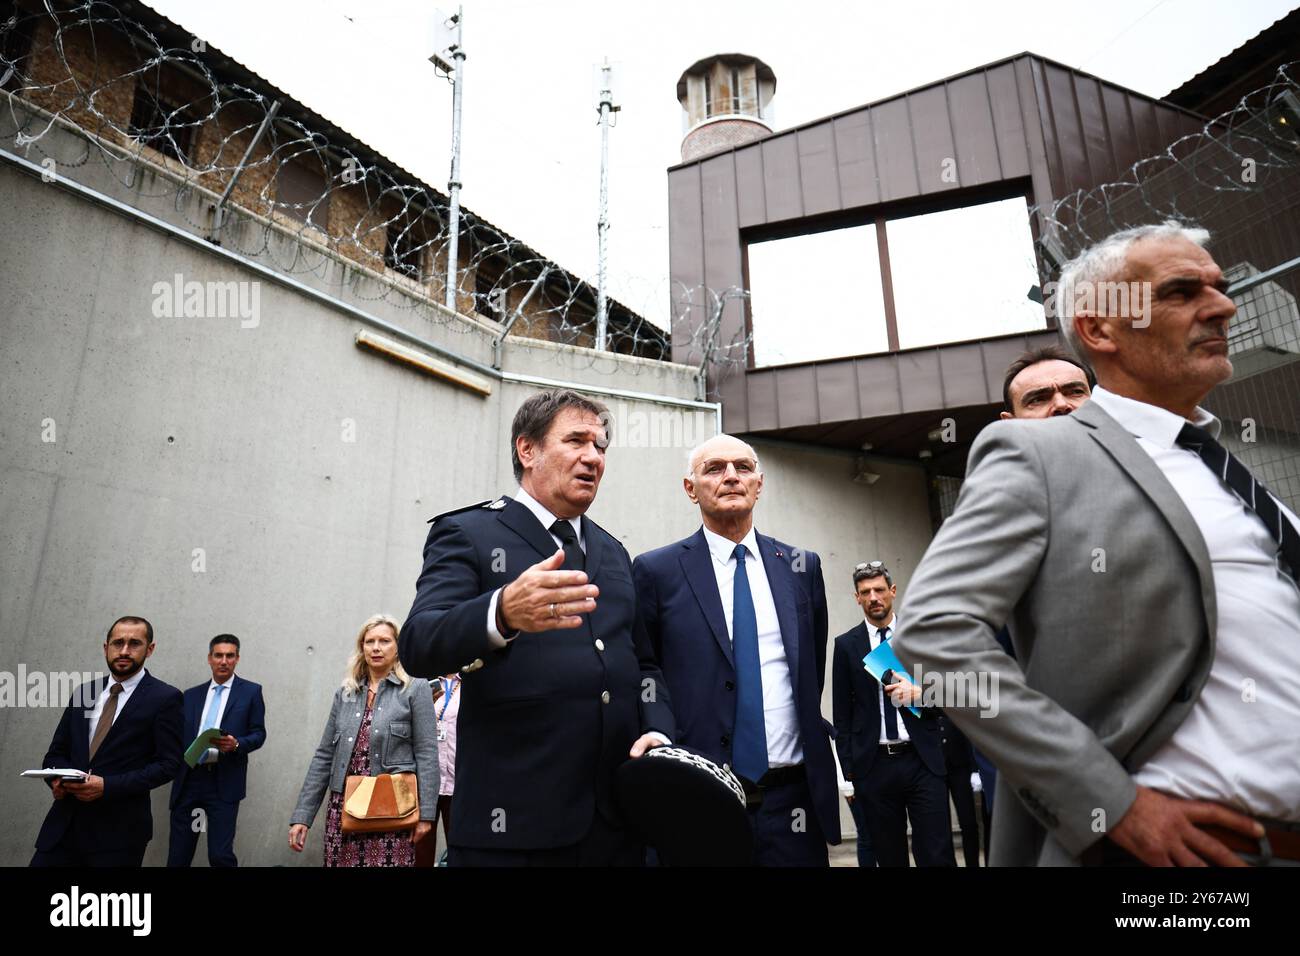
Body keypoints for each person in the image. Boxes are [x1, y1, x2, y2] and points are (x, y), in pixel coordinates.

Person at [893, 221, 1300, 866]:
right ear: (1100, 329)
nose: (1223, 305)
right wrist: (1107, 802)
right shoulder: (1037, 454)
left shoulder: (1228, 474)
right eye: (1180, 290)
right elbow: (934, 633)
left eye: (1219, 288)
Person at [397, 389, 675, 866]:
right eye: (576, 441)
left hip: (615, 831)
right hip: (511, 831)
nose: (593, 456)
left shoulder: (613, 552)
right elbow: (420, 644)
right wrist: (501, 611)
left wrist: (658, 730)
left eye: (601, 446)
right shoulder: (469, 534)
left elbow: (644, 664)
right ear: (528, 450)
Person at [631, 434, 840, 866]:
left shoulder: (802, 567)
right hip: (700, 800)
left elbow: (809, 670)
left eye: (743, 468)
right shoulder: (656, 571)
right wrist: (657, 730)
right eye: (714, 468)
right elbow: (645, 666)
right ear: (691, 489)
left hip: (793, 802)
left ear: (758, 484)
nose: (731, 476)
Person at [976, 344, 1097, 831]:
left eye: (1075, 391)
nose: (1061, 404)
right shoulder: (995, 520)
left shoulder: (1164, 486)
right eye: (1039, 398)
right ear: (1012, 422)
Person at [31, 615, 183, 867]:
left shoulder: (166, 698)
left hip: (118, 837)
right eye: (117, 643)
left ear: (150, 649)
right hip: (63, 828)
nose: (124, 651)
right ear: (106, 647)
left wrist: (108, 786)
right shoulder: (85, 692)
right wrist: (55, 780)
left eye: (134, 643)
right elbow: (55, 754)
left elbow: (169, 765)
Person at [289, 614, 437, 867]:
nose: (376, 648)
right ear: (362, 648)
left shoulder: (415, 689)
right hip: (345, 808)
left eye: (385, 641)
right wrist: (302, 816)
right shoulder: (345, 693)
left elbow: (426, 753)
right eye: (369, 642)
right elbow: (324, 755)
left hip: (393, 807)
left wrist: (426, 816)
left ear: (398, 647)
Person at [832, 563, 954, 867]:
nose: (874, 597)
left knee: (937, 853)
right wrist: (851, 771)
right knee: (888, 857)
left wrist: (922, 694)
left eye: (879, 590)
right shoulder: (847, 646)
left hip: (922, 760)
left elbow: (953, 697)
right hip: (875, 766)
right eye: (865, 592)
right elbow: (842, 714)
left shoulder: (920, 638)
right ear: (857, 598)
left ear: (893, 592)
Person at [168, 634, 267, 867]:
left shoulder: (251, 692)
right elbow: (177, 736)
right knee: (178, 855)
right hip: (189, 780)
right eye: (218, 655)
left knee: (220, 855)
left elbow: (259, 733)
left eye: (229, 656)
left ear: (237, 659)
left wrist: (237, 744)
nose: (224, 661)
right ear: (209, 659)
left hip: (224, 781)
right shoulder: (190, 695)